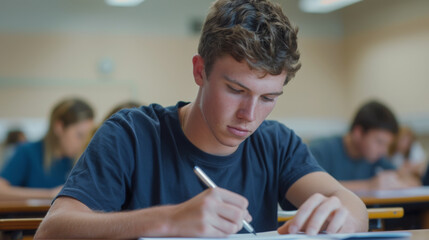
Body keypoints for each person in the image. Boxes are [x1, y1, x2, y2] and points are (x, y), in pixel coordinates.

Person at [35, 0, 368, 238]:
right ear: (199, 71)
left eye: (268, 98)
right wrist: (169, 221)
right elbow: (51, 231)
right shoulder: (131, 135)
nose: (250, 115)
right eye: (236, 89)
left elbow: (354, 208)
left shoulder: (275, 143)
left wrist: (343, 216)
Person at [309, 100, 419, 191]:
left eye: (387, 145)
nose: (384, 151)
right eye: (379, 142)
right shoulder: (320, 151)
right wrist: (369, 186)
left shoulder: (375, 158)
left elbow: (414, 182)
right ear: (358, 133)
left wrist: (399, 182)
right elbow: (312, 187)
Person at [0, 98, 94, 200]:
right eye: (79, 135)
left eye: (88, 137)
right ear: (59, 127)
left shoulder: (83, 161)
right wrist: (48, 194)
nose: (84, 143)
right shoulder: (27, 152)